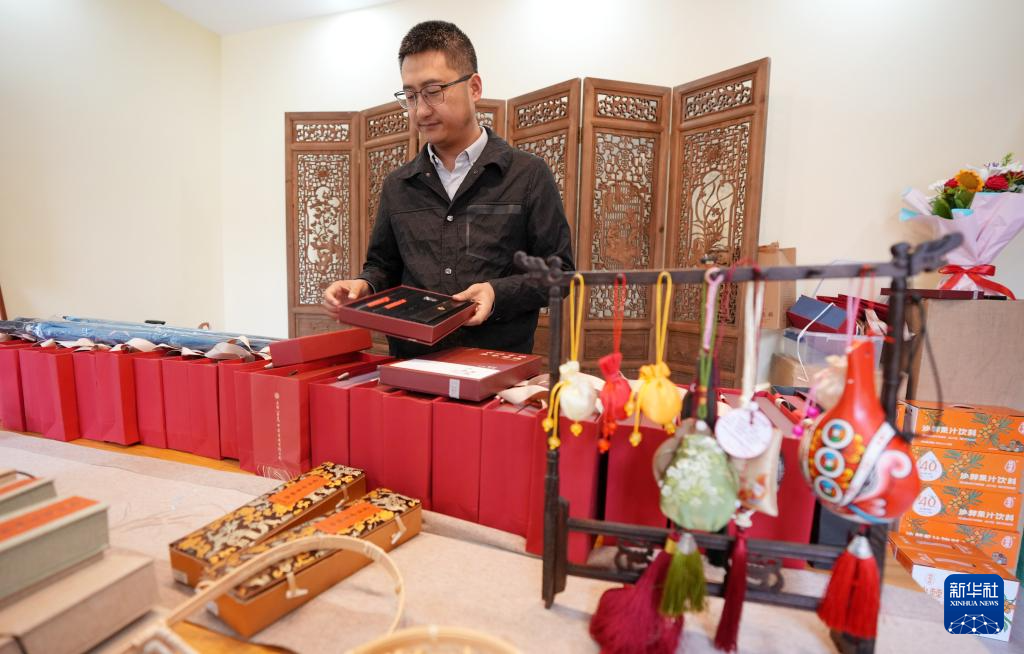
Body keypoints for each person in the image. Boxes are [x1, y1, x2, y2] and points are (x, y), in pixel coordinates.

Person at [323, 20, 574, 358]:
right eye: (410, 96)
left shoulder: (527, 175)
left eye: (433, 91)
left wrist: (496, 293)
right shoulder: (398, 185)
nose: (421, 110)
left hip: (493, 367)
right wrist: (363, 285)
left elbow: (560, 273)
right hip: (411, 364)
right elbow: (383, 266)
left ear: (474, 87)